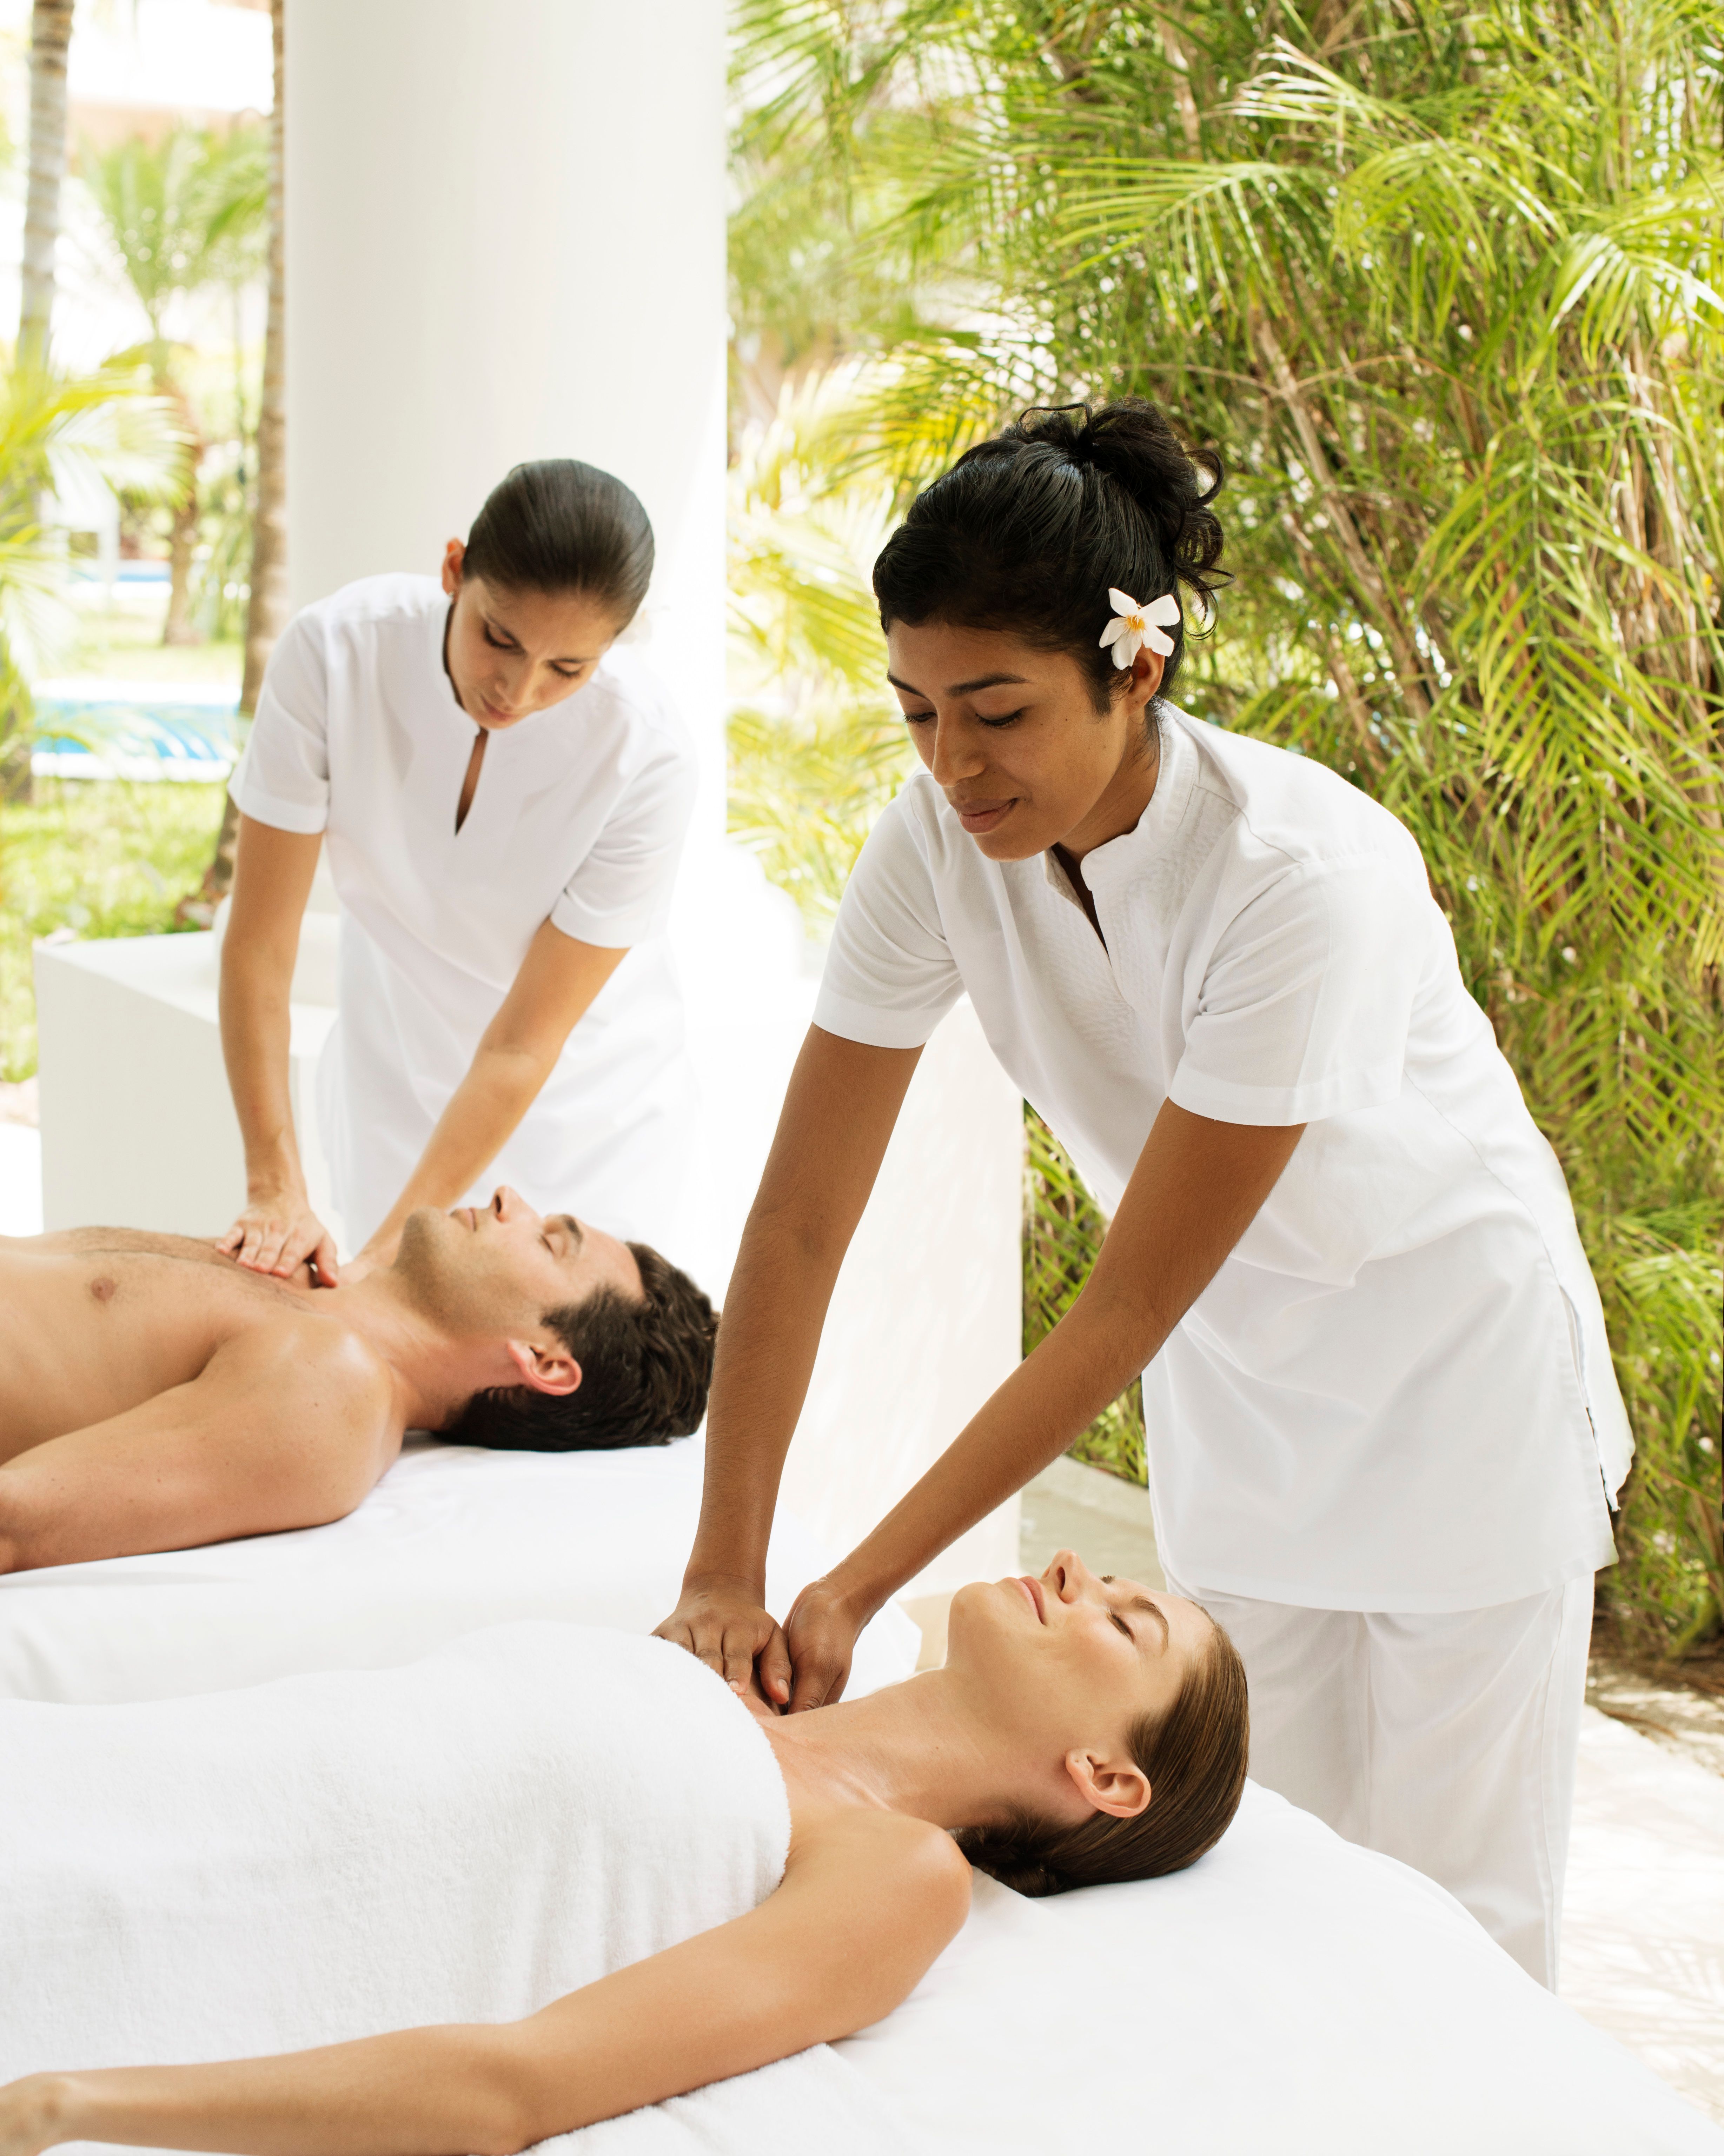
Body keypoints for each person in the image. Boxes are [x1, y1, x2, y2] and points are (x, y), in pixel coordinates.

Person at [655, 398, 1631, 1988]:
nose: (951, 764)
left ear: (1136, 667)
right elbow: (798, 1221)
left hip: (1454, 1378)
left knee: (1458, 1922)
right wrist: (726, 1563)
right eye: (912, 712)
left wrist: (852, 1586)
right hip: (1243, 1389)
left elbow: (1119, 1301)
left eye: (995, 709)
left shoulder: (1292, 876)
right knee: (1258, 1870)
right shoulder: (932, 847)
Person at [0, 1553, 1246, 2153]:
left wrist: (68, 2103)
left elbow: (521, 2086)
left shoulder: (897, 1873)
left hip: (108, 1946)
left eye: (1122, 1620)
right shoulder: (724, 1682)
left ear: (1107, 1777)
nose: (1076, 1570)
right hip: (80, 1781)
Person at [217, 458, 697, 1290]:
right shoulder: (334, 655)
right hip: (393, 1074)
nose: (516, 689)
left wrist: (392, 1257)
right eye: (498, 638)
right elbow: (260, 943)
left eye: (567, 669)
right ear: (453, 569)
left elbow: (523, 1042)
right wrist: (274, 1187)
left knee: (550, 1388)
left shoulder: (645, 757)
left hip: (580, 1110)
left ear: (613, 649)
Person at [0, 1188, 716, 1574]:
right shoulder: (302, 1287)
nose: (508, 1199)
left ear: (545, 1359)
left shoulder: (334, 1392)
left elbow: (17, 1523)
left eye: (549, 1240)